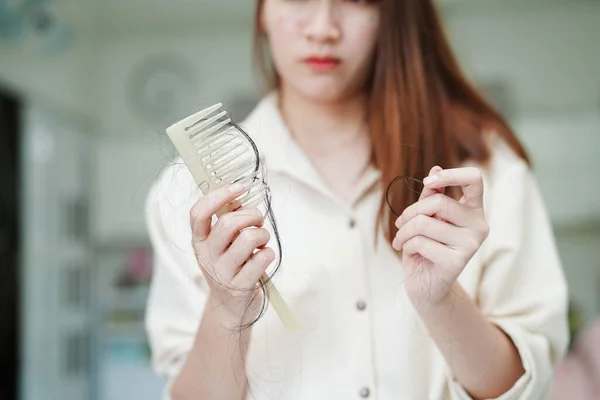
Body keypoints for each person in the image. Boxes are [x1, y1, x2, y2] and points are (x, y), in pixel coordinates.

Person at [144, 0, 569, 399]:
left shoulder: (485, 170)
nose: (323, 28)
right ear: (262, 11)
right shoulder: (184, 195)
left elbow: (521, 388)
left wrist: (441, 302)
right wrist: (226, 306)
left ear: (391, 13)